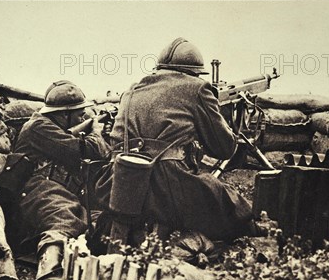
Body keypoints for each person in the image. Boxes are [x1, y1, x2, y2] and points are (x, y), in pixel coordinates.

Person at [95, 37, 255, 244]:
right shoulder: (198, 88)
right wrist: (225, 119)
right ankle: (189, 244)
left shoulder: (132, 90)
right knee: (234, 207)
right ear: (194, 72)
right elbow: (224, 149)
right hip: (164, 184)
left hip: (118, 184)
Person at [12, 80, 110, 280]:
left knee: (91, 217)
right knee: (62, 213)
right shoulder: (38, 127)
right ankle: (48, 277)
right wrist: (95, 132)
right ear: (63, 115)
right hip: (32, 191)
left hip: (50, 190)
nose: (81, 118)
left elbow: (102, 157)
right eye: (78, 114)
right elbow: (83, 150)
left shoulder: (54, 127)